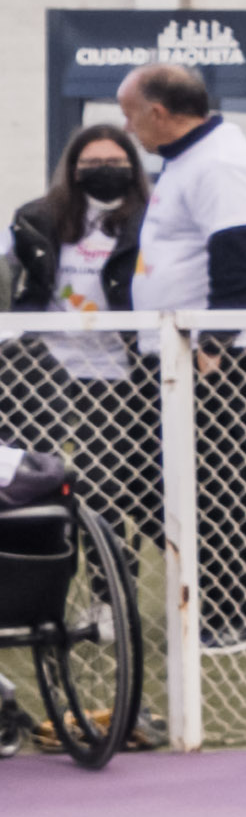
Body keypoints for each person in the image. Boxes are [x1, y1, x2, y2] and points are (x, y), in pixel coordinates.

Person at [111, 62, 246, 655]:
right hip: (175, 350)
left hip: (206, 355)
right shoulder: (192, 159)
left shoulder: (220, 162)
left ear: (159, 112)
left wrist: (214, 342)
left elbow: (241, 252)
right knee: (133, 474)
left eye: (129, 112)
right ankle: (231, 587)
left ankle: (238, 612)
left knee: (214, 481)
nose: (125, 126)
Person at [7, 120, 155, 551]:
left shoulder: (152, 218)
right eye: (92, 162)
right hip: (45, 368)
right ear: (73, 169)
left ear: (132, 165)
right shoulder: (36, 216)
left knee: (105, 486)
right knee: (37, 481)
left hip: (118, 371)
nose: (104, 168)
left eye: (114, 160)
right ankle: (43, 587)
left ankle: (110, 602)